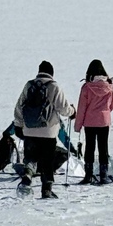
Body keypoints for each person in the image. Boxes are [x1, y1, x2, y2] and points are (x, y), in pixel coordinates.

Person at [13, 61, 75, 199]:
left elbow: (19, 107)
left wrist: (19, 125)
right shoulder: (54, 86)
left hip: (29, 130)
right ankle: (46, 190)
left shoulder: (29, 85)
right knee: (47, 161)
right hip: (48, 132)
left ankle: (28, 174)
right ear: (51, 73)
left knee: (30, 157)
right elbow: (63, 108)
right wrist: (72, 112)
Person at [74, 59, 113, 185]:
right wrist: (105, 113)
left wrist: (78, 125)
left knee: (89, 148)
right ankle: (103, 175)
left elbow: (82, 107)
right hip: (104, 121)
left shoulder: (87, 87)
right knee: (103, 147)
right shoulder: (109, 86)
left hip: (90, 122)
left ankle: (88, 175)